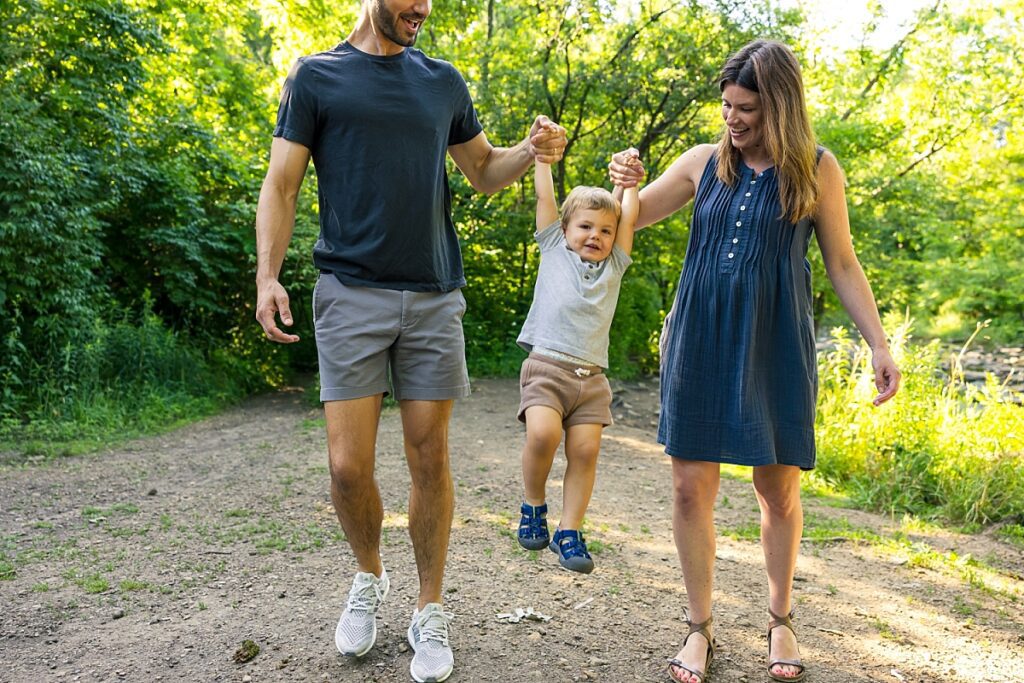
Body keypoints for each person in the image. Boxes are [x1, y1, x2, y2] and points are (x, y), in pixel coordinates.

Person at [254, 1, 567, 681]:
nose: (421, 7)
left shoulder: (443, 82)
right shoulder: (315, 78)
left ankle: (429, 608)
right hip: (348, 292)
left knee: (430, 456)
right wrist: (267, 276)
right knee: (346, 467)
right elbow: (281, 184)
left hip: (431, 296)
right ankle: (369, 574)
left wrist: (532, 151)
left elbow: (483, 170)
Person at [608, 40, 900, 683]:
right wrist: (621, 187)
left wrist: (878, 342)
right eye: (726, 106)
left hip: (774, 343)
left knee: (778, 489)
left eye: (746, 110)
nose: (732, 120)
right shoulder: (699, 163)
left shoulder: (817, 169)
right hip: (700, 338)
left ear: (782, 108)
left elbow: (842, 263)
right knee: (690, 486)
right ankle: (698, 628)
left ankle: (780, 618)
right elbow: (628, 225)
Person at [514, 146, 641, 574]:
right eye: (585, 226)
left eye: (606, 230)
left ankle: (570, 531)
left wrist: (630, 183)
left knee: (585, 451)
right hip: (547, 368)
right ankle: (533, 505)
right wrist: (543, 161)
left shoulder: (614, 267)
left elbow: (629, 216)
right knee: (543, 436)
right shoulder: (553, 250)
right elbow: (545, 201)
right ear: (565, 229)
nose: (595, 236)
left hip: (591, 380)